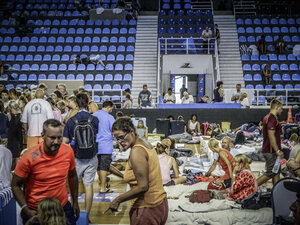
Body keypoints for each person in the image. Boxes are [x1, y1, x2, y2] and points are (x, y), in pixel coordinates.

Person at [11, 119, 79, 225]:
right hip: (36, 210)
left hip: (62, 207)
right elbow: (15, 185)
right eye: (52, 137)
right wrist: (25, 209)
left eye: (59, 137)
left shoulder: (68, 151)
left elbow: (73, 176)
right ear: (42, 135)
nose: (56, 142)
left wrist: (75, 202)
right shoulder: (29, 157)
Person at [106, 117, 168, 224]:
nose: (119, 142)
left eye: (121, 137)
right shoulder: (144, 143)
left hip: (147, 208)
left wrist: (117, 200)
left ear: (131, 131)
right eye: (117, 139)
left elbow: (143, 186)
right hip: (159, 203)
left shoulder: (137, 151)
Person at [63, 93, 99, 219]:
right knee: (88, 185)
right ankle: (86, 215)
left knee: (74, 185)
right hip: (92, 156)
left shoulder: (71, 121)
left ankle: (74, 213)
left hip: (76, 157)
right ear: (88, 103)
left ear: (77, 104)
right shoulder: (94, 119)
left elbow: (65, 141)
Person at [257, 99, 284, 186]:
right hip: (271, 151)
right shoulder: (271, 118)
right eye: (281, 108)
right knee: (270, 173)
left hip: (271, 150)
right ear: (276, 107)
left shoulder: (268, 117)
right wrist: (277, 151)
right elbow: (271, 136)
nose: (282, 110)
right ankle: (249, 188)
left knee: (276, 172)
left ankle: (276, 194)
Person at [93, 101, 115, 193]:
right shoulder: (110, 117)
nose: (111, 110)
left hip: (94, 145)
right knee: (104, 167)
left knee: (98, 167)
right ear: (109, 107)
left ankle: (102, 185)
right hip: (106, 146)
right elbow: (114, 130)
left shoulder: (93, 116)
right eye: (111, 109)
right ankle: (103, 187)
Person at [7, 101, 23, 170]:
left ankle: (14, 170)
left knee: (15, 154)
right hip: (14, 136)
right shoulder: (18, 115)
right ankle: (15, 169)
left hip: (15, 136)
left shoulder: (13, 115)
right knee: (15, 154)